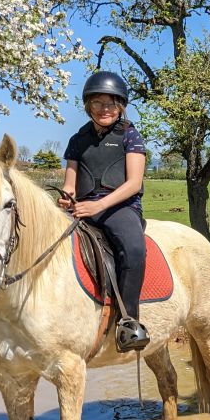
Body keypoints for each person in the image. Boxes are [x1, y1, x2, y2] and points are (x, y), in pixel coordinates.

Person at [59, 71, 151, 352]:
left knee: (134, 248)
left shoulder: (130, 136)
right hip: (83, 207)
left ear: (120, 106)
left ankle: (129, 322)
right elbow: (70, 184)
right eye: (98, 103)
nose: (104, 109)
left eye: (111, 104)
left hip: (120, 207)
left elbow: (134, 183)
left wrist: (99, 204)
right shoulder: (78, 139)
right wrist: (67, 198)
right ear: (88, 106)